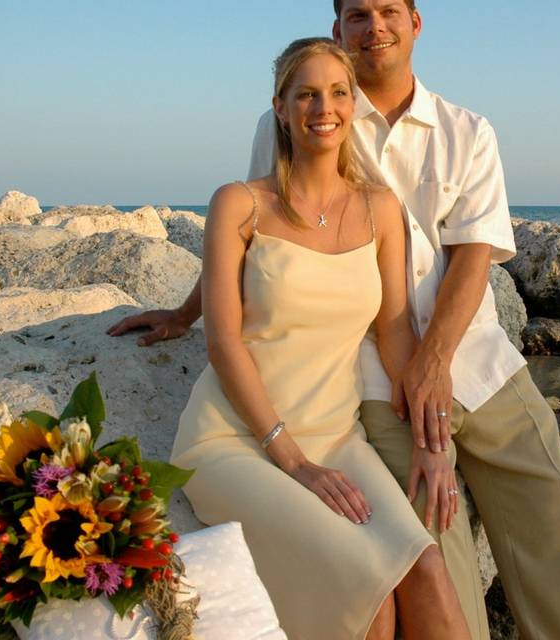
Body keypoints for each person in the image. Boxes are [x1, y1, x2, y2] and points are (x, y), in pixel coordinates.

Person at [112, 2, 560, 639]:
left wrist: (434, 370)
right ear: (337, 32)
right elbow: (250, 241)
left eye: (387, 11)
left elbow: (472, 257)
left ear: (415, 23)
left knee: (557, 501)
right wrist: (189, 311)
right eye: (356, 14)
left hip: (468, 351)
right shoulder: (304, 112)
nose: (373, 26)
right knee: (437, 535)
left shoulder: (465, 131)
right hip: (378, 373)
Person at [167, 37, 471, 640]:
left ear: (353, 104)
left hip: (336, 437)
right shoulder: (239, 204)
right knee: (369, 598)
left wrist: (433, 439)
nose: (322, 107)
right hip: (236, 442)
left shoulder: (380, 209)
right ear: (279, 107)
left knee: (428, 567)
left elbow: (393, 330)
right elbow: (223, 341)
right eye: (305, 93)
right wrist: (293, 461)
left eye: (336, 92)